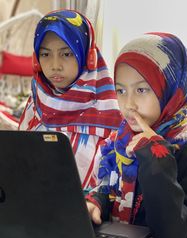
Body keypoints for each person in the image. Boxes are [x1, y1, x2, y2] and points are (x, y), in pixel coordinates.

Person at [86, 32, 187, 238]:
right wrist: (97, 201)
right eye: (120, 90)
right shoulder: (119, 143)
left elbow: (177, 237)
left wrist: (155, 155)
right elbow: (113, 193)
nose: (129, 104)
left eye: (141, 89)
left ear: (171, 90)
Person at [18, 9, 122, 189]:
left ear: (87, 57)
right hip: (31, 207)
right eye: (45, 54)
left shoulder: (113, 114)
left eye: (66, 54)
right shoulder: (35, 104)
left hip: (89, 214)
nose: (55, 66)